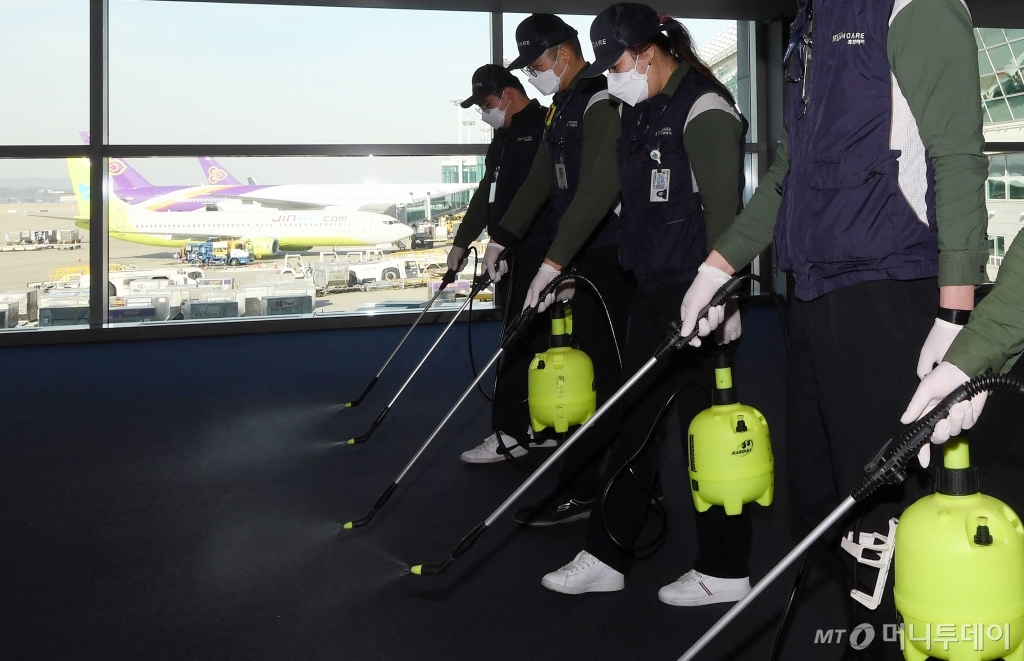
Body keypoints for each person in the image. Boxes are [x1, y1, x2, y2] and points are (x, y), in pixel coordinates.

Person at [676, 0, 988, 656]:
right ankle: (875, 624)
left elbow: (957, 157)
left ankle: (897, 637)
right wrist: (718, 265)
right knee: (818, 498)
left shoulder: (915, 7)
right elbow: (786, 174)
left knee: (880, 513)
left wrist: (957, 313)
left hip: (888, 290)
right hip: (813, 292)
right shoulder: (813, 19)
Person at [538, 3, 750, 604]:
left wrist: (725, 299)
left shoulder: (705, 107)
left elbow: (725, 213)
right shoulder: (636, 107)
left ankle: (725, 569)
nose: (611, 77)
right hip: (656, 289)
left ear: (652, 54)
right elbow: (598, 188)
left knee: (710, 435)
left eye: (618, 64)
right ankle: (608, 552)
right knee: (634, 422)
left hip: (700, 295)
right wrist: (553, 261)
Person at [474, 13, 635, 526]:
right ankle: (588, 481)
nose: (534, 74)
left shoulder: (599, 98)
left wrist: (553, 260)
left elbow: (596, 190)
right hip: (574, 255)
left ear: (565, 54)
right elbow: (542, 180)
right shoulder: (560, 105)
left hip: (604, 257)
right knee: (583, 374)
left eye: (538, 63)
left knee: (606, 378)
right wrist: (501, 238)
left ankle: (608, 487)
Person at [446, 64, 559, 465]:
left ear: (509, 94)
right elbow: (486, 193)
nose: (484, 112)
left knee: (522, 340)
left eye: (488, 103)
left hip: (533, 250)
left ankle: (511, 433)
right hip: (504, 251)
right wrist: (463, 242)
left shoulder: (545, 127)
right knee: (527, 338)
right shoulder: (503, 136)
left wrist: (505, 242)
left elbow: (542, 195)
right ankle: (538, 424)